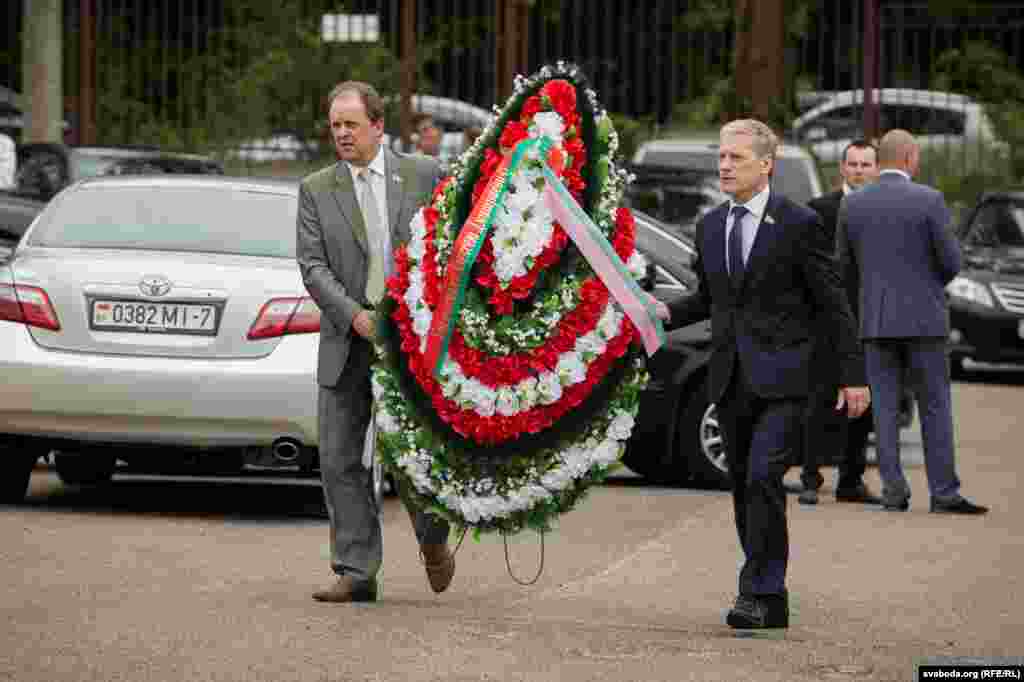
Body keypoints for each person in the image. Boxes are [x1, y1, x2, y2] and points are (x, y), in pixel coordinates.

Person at [654, 119, 869, 629]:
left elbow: (833, 304)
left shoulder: (799, 223)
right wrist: (663, 312)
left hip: (788, 380)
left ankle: (755, 591)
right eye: (722, 157)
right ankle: (772, 599)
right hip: (731, 379)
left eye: (737, 158)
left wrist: (853, 374)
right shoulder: (710, 226)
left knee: (762, 477)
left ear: (766, 165)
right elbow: (710, 300)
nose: (725, 166)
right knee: (743, 489)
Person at [296, 81, 456, 603]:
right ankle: (356, 570)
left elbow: (453, 243)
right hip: (348, 341)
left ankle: (433, 540)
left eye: (352, 124)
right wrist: (354, 316)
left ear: (379, 126)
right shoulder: (316, 189)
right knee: (339, 459)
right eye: (335, 126)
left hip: (410, 345)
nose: (342, 134)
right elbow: (312, 266)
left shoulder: (424, 174)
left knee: (410, 459)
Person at [837, 129, 988, 515]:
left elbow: (845, 268)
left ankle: (894, 490)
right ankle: (943, 492)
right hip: (925, 321)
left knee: (884, 408)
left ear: (880, 159)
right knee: (934, 405)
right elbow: (951, 262)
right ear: (908, 158)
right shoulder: (929, 200)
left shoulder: (853, 204)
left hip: (875, 321)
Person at [799, 140, 882, 506]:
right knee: (818, 400)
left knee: (863, 403)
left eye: (866, 164)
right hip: (825, 320)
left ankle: (851, 479)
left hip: (868, 319)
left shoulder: (882, 209)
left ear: (876, 169)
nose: (859, 170)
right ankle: (810, 478)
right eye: (853, 164)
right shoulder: (819, 210)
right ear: (843, 168)